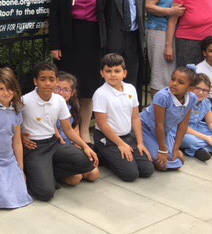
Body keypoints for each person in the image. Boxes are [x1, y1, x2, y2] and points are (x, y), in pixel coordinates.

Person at [49, 0, 108, 143]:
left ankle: (84, 130)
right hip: (69, 38)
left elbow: (107, 13)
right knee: (67, 86)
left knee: (89, 87)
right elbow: (54, 13)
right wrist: (54, 44)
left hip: (92, 39)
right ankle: (67, 129)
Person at [21, 61, 99, 201]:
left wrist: (85, 147)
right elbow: (14, 126)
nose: (47, 83)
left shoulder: (59, 100)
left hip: (53, 144)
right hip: (35, 148)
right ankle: (37, 174)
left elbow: (68, 129)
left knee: (87, 162)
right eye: (43, 79)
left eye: (51, 79)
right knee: (45, 194)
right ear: (35, 81)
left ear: (56, 81)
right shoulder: (25, 101)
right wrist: (21, 136)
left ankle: (48, 172)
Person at [92, 53, 154, 182]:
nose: (113, 74)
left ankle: (116, 155)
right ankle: (103, 154)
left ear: (124, 73)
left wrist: (140, 143)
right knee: (131, 175)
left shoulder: (130, 89)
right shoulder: (100, 94)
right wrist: (120, 144)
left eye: (117, 71)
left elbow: (136, 118)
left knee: (147, 170)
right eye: (108, 71)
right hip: (107, 138)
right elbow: (102, 124)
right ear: (102, 73)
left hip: (127, 136)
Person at [0, 67, 32, 210]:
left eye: (10, 88)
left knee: (21, 194)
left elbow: (16, 142)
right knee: (2, 197)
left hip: (9, 161)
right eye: (1, 88)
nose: (6, 92)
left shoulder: (16, 111)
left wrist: (20, 167)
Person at [104, 0, 146, 99]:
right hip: (111, 39)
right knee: (110, 79)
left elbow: (140, 11)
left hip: (133, 39)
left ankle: (129, 116)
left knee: (131, 81)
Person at [145, 0, 187, 95]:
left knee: (174, 72)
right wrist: (171, 11)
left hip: (178, 30)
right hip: (159, 31)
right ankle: (158, 109)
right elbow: (148, 6)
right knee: (161, 73)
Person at [140, 67, 198, 170]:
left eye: (180, 82)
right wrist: (163, 150)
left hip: (164, 133)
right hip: (146, 129)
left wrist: (176, 149)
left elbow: (183, 125)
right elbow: (159, 125)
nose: (174, 83)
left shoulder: (192, 98)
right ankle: (140, 149)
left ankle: (155, 151)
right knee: (163, 163)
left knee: (177, 161)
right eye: (173, 79)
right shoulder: (162, 97)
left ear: (190, 89)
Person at [181, 73, 212, 161]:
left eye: (205, 90)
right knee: (189, 140)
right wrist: (208, 139)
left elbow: (211, 122)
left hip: (198, 128)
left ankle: (201, 149)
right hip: (183, 131)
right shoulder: (185, 102)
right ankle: (206, 148)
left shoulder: (206, 102)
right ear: (191, 88)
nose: (201, 92)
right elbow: (184, 127)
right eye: (198, 88)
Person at [54, 72, 80, 145]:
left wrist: (78, 146)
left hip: (69, 143)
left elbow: (76, 129)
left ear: (72, 93)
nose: (61, 93)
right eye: (57, 88)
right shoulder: (49, 107)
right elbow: (55, 131)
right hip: (56, 143)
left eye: (66, 90)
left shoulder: (73, 106)